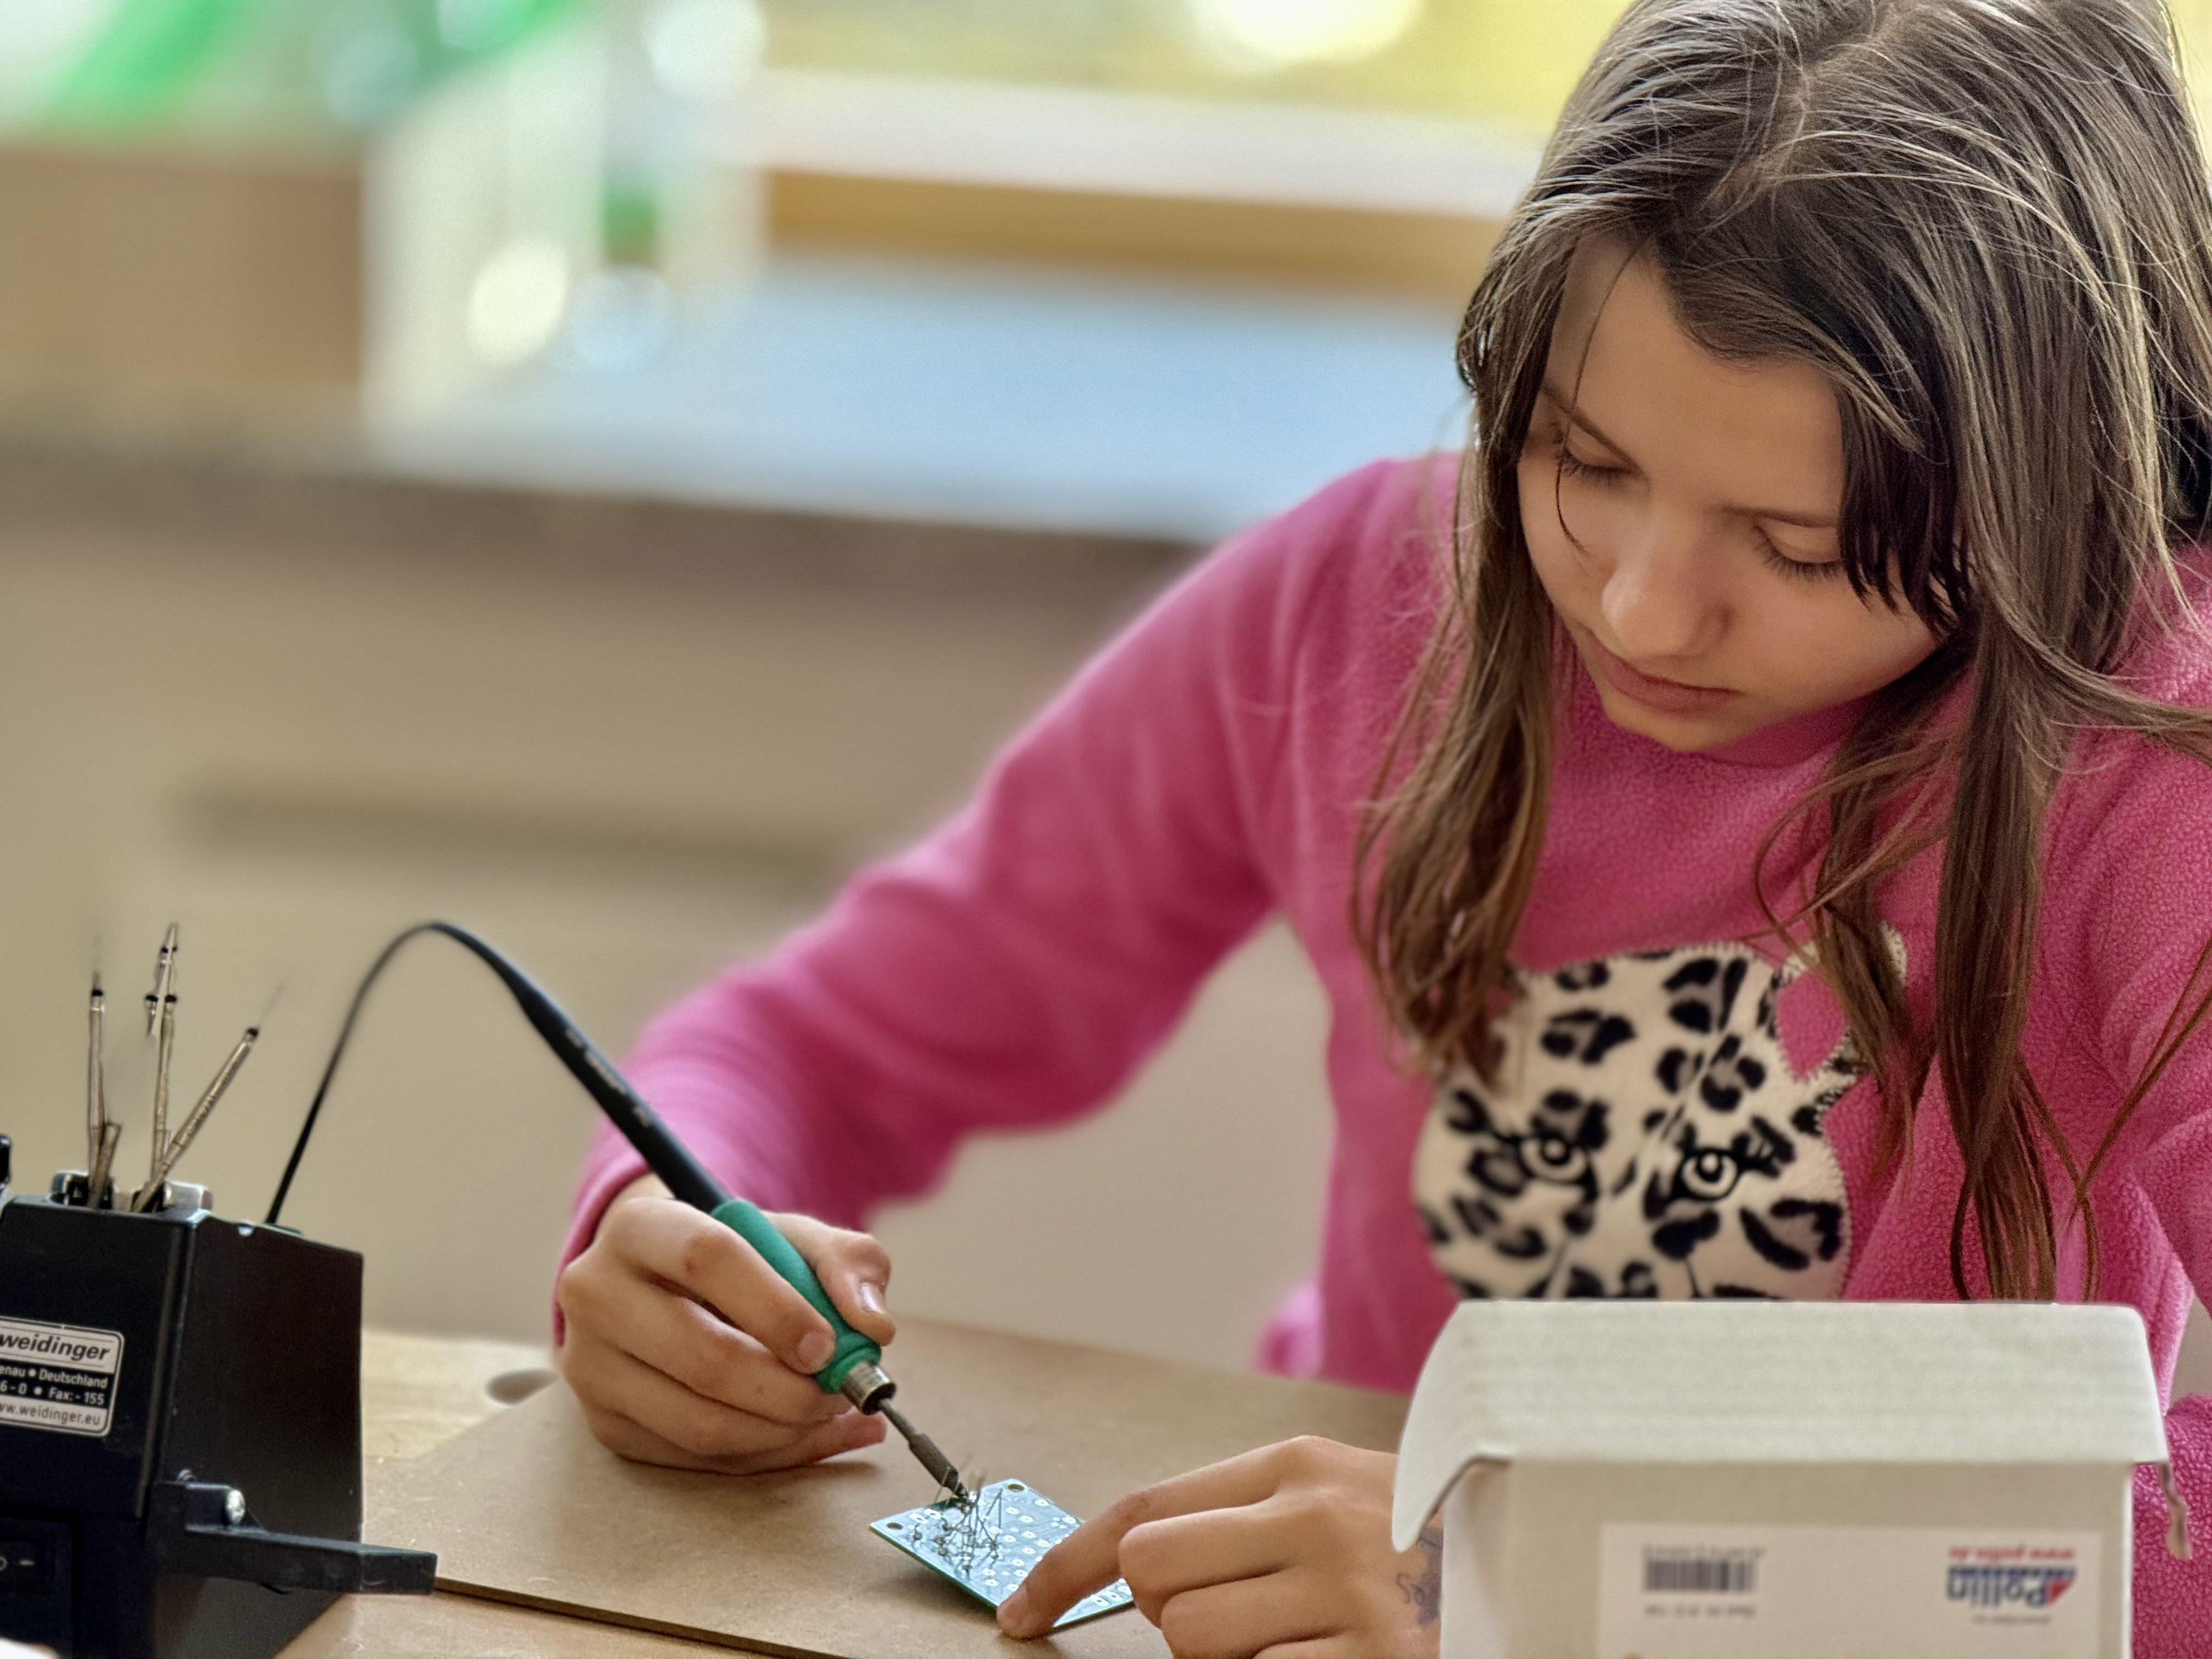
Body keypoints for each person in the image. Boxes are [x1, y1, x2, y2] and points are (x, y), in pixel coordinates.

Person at [551, 1, 2212, 1651]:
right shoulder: (1355, 608)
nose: (1641, 611)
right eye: (1583, 458)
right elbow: (812, 1046)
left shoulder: (2159, 773)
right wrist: (675, 1241)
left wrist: (1556, 1575)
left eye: (1795, 546)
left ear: (2054, 486)